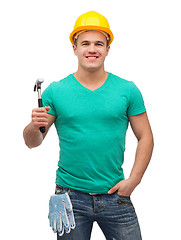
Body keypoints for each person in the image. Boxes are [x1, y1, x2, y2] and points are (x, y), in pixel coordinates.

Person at [23, 11, 154, 240]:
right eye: (85, 43)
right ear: (75, 48)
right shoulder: (56, 90)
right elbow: (32, 142)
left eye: (98, 44)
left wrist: (134, 180)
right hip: (70, 197)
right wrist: (35, 126)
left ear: (107, 48)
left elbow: (146, 137)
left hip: (116, 195)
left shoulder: (127, 90)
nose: (92, 49)